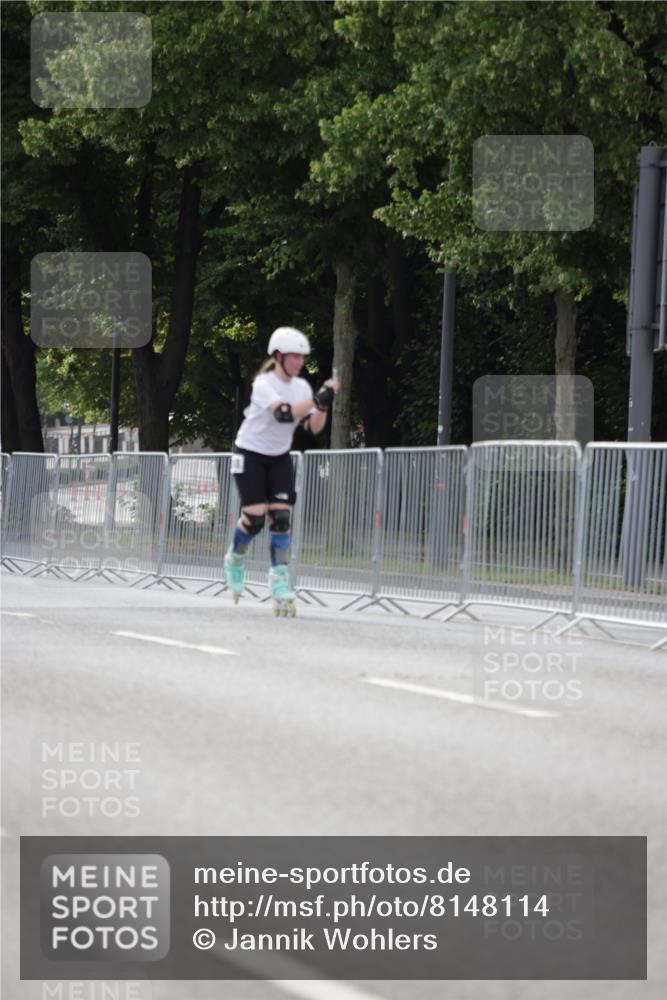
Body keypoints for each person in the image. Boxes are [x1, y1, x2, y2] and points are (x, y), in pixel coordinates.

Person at [224, 326, 339, 614]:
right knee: (254, 518)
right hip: (249, 452)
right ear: (278, 356)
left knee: (281, 517)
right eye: (294, 357)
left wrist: (323, 405)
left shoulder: (301, 387)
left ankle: (279, 580)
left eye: (303, 357)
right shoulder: (264, 383)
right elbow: (283, 413)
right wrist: (317, 398)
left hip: (278, 456)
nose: (300, 362)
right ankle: (235, 558)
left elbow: (312, 427)